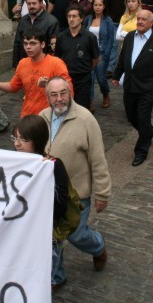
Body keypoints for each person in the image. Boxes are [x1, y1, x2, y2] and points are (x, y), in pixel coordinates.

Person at [39, 77, 111, 286]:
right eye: (54, 94)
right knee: (55, 236)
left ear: (70, 92)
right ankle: (57, 276)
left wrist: (102, 193)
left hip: (78, 193)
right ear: (47, 97)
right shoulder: (42, 116)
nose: (59, 99)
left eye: (63, 93)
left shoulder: (85, 119)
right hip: (50, 192)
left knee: (76, 234)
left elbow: (98, 159)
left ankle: (97, 246)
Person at [11, 114, 75, 295]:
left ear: (37, 140)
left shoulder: (53, 166)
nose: (17, 144)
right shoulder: (12, 161)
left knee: (39, 290)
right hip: (25, 229)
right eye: (15, 138)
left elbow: (60, 205)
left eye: (23, 139)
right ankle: (59, 276)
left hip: (48, 233)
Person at [112, 8, 153, 166]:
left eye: (143, 19)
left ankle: (141, 151)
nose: (139, 21)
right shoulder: (129, 38)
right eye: (138, 19)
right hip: (130, 86)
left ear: (151, 23)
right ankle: (149, 132)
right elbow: (123, 59)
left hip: (147, 88)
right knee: (131, 117)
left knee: (143, 118)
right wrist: (116, 75)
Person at [0, 30, 72, 118]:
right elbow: (13, 86)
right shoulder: (22, 63)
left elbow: (69, 91)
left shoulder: (56, 63)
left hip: (49, 117)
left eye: (32, 43)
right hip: (27, 115)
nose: (28, 47)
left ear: (42, 44)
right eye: (25, 43)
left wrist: (49, 84)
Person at [54, 6, 100, 110]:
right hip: (65, 79)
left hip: (83, 79)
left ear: (81, 18)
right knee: (64, 108)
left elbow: (96, 58)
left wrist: (86, 68)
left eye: (74, 16)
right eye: (69, 16)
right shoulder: (61, 37)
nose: (71, 19)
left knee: (81, 109)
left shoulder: (89, 37)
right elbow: (57, 58)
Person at [12, 0, 59, 68]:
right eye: (29, 4)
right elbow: (17, 43)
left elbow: (53, 47)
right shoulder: (23, 20)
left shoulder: (51, 21)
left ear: (40, 3)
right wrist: (15, 64)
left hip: (43, 64)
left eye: (34, 3)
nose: (31, 6)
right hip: (25, 64)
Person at [83, 0, 115, 109]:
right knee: (90, 78)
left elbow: (111, 39)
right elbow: (83, 34)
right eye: (95, 5)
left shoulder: (108, 21)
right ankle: (89, 102)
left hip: (102, 53)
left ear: (104, 6)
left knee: (101, 78)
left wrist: (106, 54)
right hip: (89, 53)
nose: (97, 7)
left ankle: (105, 94)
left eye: (100, 5)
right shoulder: (88, 19)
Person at [105, 0, 133, 73]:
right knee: (113, 45)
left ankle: (126, 67)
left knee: (126, 45)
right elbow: (106, 5)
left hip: (127, 21)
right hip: (113, 21)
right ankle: (111, 69)